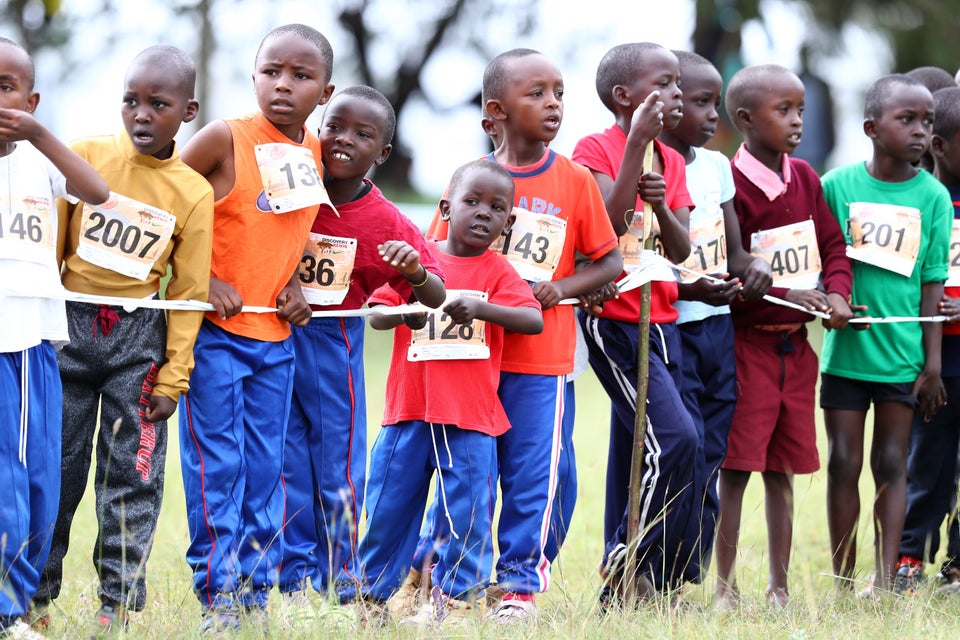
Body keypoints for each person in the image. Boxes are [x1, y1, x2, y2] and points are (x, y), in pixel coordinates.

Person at [425, 48, 623, 622]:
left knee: (538, 477)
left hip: (542, 358)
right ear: (496, 112)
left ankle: (518, 587)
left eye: (559, 92)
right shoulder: (471, 182)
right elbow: (433, 259)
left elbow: (607, 263)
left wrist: (561, 289)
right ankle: (449, 580)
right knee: (466, 475)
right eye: (535, 93)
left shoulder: (575, 180)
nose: (553, 103)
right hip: (472, 360)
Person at [30, 45, 213, 635]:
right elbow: (50, 254)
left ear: (187, 112)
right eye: (131, 101)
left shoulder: (192, 191)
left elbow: (188, 291)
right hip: (68, 328)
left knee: (131, 476)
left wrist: (173, 374)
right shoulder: (85, 158)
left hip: (139, 339)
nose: (141, 114)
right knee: (54, 468)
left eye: (158, 104)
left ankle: (117, 602)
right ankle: (34, 593)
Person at [176, 24, 337, 632]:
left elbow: (292, 231)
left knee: (269, 469)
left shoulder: (316, 153)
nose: (283, 85)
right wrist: (198, 280)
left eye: (300, 76)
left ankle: (254, 591)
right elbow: (165, 204)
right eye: (272, 71)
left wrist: (297, 281)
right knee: (219, 466)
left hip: (275, 341)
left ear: (324, 92)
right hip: (215, 337)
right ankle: (217, 596)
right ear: (253, 75)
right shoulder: (224, 139)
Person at [344, 159, 543, 626]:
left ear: (508, 222)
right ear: (446, 207)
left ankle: (453, 603)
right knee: (388, 510)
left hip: (471, 420)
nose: (482, 213)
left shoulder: (498, 272)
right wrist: (403, 315)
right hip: (407, 415)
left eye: (496, 208)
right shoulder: (420, 262)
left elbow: (532, 319)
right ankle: (370, 601)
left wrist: (482, 307)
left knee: (469, 516)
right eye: (471, 201)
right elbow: (375, 314)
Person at [278, 85, 445, 603]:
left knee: (337, 466)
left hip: (333, 344)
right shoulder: (290, 183)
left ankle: (342, 577)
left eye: (363, 134)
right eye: (334, 127)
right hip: (273, 335)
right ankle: (293, 577)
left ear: (383, 153)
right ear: (316, 131)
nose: (343, 140)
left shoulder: (386, 222)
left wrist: (409, 272)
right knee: (283, 462)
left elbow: (434, 289)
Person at [714, 64, 854, 609]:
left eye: (800, 110)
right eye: (784, 111)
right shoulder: (729, 186)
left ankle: (780, 587)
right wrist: (787, 295)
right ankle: (724, 588)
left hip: (797, 351)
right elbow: (729, 270)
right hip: (747, 347)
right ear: (746, 120)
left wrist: (837, 296)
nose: (797, 121)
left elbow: (834, 246)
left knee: (783, 470)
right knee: (738, 468)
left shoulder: (807, 178)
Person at [571, 41, 700, 601]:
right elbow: (606, 224)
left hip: (663, 318)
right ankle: (629, 569)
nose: (675, 93)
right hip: (616, 319)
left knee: (643, 445)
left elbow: (680, 249)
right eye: (664, 82)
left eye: (677, 84)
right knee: (673, 441)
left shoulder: (671, 161)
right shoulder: (594, 148)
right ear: (625, 96)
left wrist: (665, 205)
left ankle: (654, 578)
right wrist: (634, 152)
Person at [821, 74, 952, 594]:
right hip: (846, 356)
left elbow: (932, 285)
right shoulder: (837, 186)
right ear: (872, 128)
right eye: (908, 120)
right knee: (842, 463)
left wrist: (932, 363)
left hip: (903, 356)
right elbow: (826, 263)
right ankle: (842, 579)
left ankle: (884, 579)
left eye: (927, 122)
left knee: (893, 463)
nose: (920, 131)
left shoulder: (933, 196)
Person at [0, 36, 109, 640]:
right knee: (7, 476)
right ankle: (7, 607)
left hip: (36, 338)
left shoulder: (41, 157)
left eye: (6, 87)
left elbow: (95, 193)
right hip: (2, 337)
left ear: (31, 99)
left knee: (40, 474)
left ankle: (16, 598)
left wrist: (38, 135)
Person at [658, 50, 773, 583]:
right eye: (700, 102)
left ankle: (689, 567)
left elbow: (736, 251)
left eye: (714, 104)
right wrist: (691, 284)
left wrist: (754, 270)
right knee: (680, 442)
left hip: (716, 324)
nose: (711, 115)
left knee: (712, 445)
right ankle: (658, 561)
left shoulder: (717, 168)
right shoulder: (651, 169)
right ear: (667, 103)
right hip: (669, 326)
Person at [896, 86, 960, 594]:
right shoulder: (922, 203)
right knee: (926, 463)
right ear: (940, 146)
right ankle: (909, 557)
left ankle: (957, 564)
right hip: (931, 356)